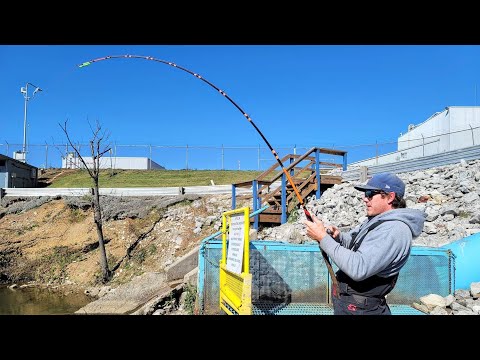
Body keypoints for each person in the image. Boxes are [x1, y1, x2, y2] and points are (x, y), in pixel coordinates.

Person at [303, 172, 426, 315]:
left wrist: (323, 238)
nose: (365, 198)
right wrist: (338, 238)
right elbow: (357, 244)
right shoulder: (376, 220)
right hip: (354, 305)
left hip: (363, 309)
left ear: (390, 197)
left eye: (370, 193)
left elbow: (358, 268)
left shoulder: (394, 229)